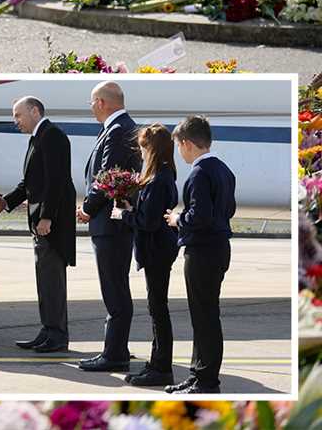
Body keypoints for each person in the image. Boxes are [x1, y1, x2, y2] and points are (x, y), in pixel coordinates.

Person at [164, 115, 237, 395]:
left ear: (186, 143)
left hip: (203, 250)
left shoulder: (198, 172)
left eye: (179, 146)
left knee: (204, 317)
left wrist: (178, 219)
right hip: (218, 248)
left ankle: (206, 381)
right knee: (204, 315)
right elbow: (227, 210)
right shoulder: (223, 170)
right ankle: (198, 376)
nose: (179, 152)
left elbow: (200, 215)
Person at [0, 96, 75, 353]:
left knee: (52, 278)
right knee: (45, 279)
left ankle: (57, 334)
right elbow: (30, 183)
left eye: (18, 115)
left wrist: (46, 217)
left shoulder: (52, 136)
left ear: (34, 111)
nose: (15, 121)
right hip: (42, 221)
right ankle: (48, 329)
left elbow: (56, 181)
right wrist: (5, 203)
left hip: (50, 224)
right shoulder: (39, 137)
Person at [77, 80, 141, 372]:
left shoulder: (116, 132)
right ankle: (118, 348)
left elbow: (105, 179)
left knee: (114, 290)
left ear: (102, 102)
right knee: (117, 287)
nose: (91, 108)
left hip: (109, 225)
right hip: (116, 224)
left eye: (92, 102)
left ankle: (114, 354)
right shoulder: (125, 128)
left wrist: (87, 209)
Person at [112, 123, 180, 388]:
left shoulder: (158, 179)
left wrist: (123, 214)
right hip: (160, 249)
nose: (140, 152)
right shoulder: (163, 175)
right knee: (157, 308)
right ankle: (157, 362)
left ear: (151, 149)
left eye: (142, 147)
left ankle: (162, 367)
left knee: (158, 309)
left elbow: (148, 221)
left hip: (157, 250)